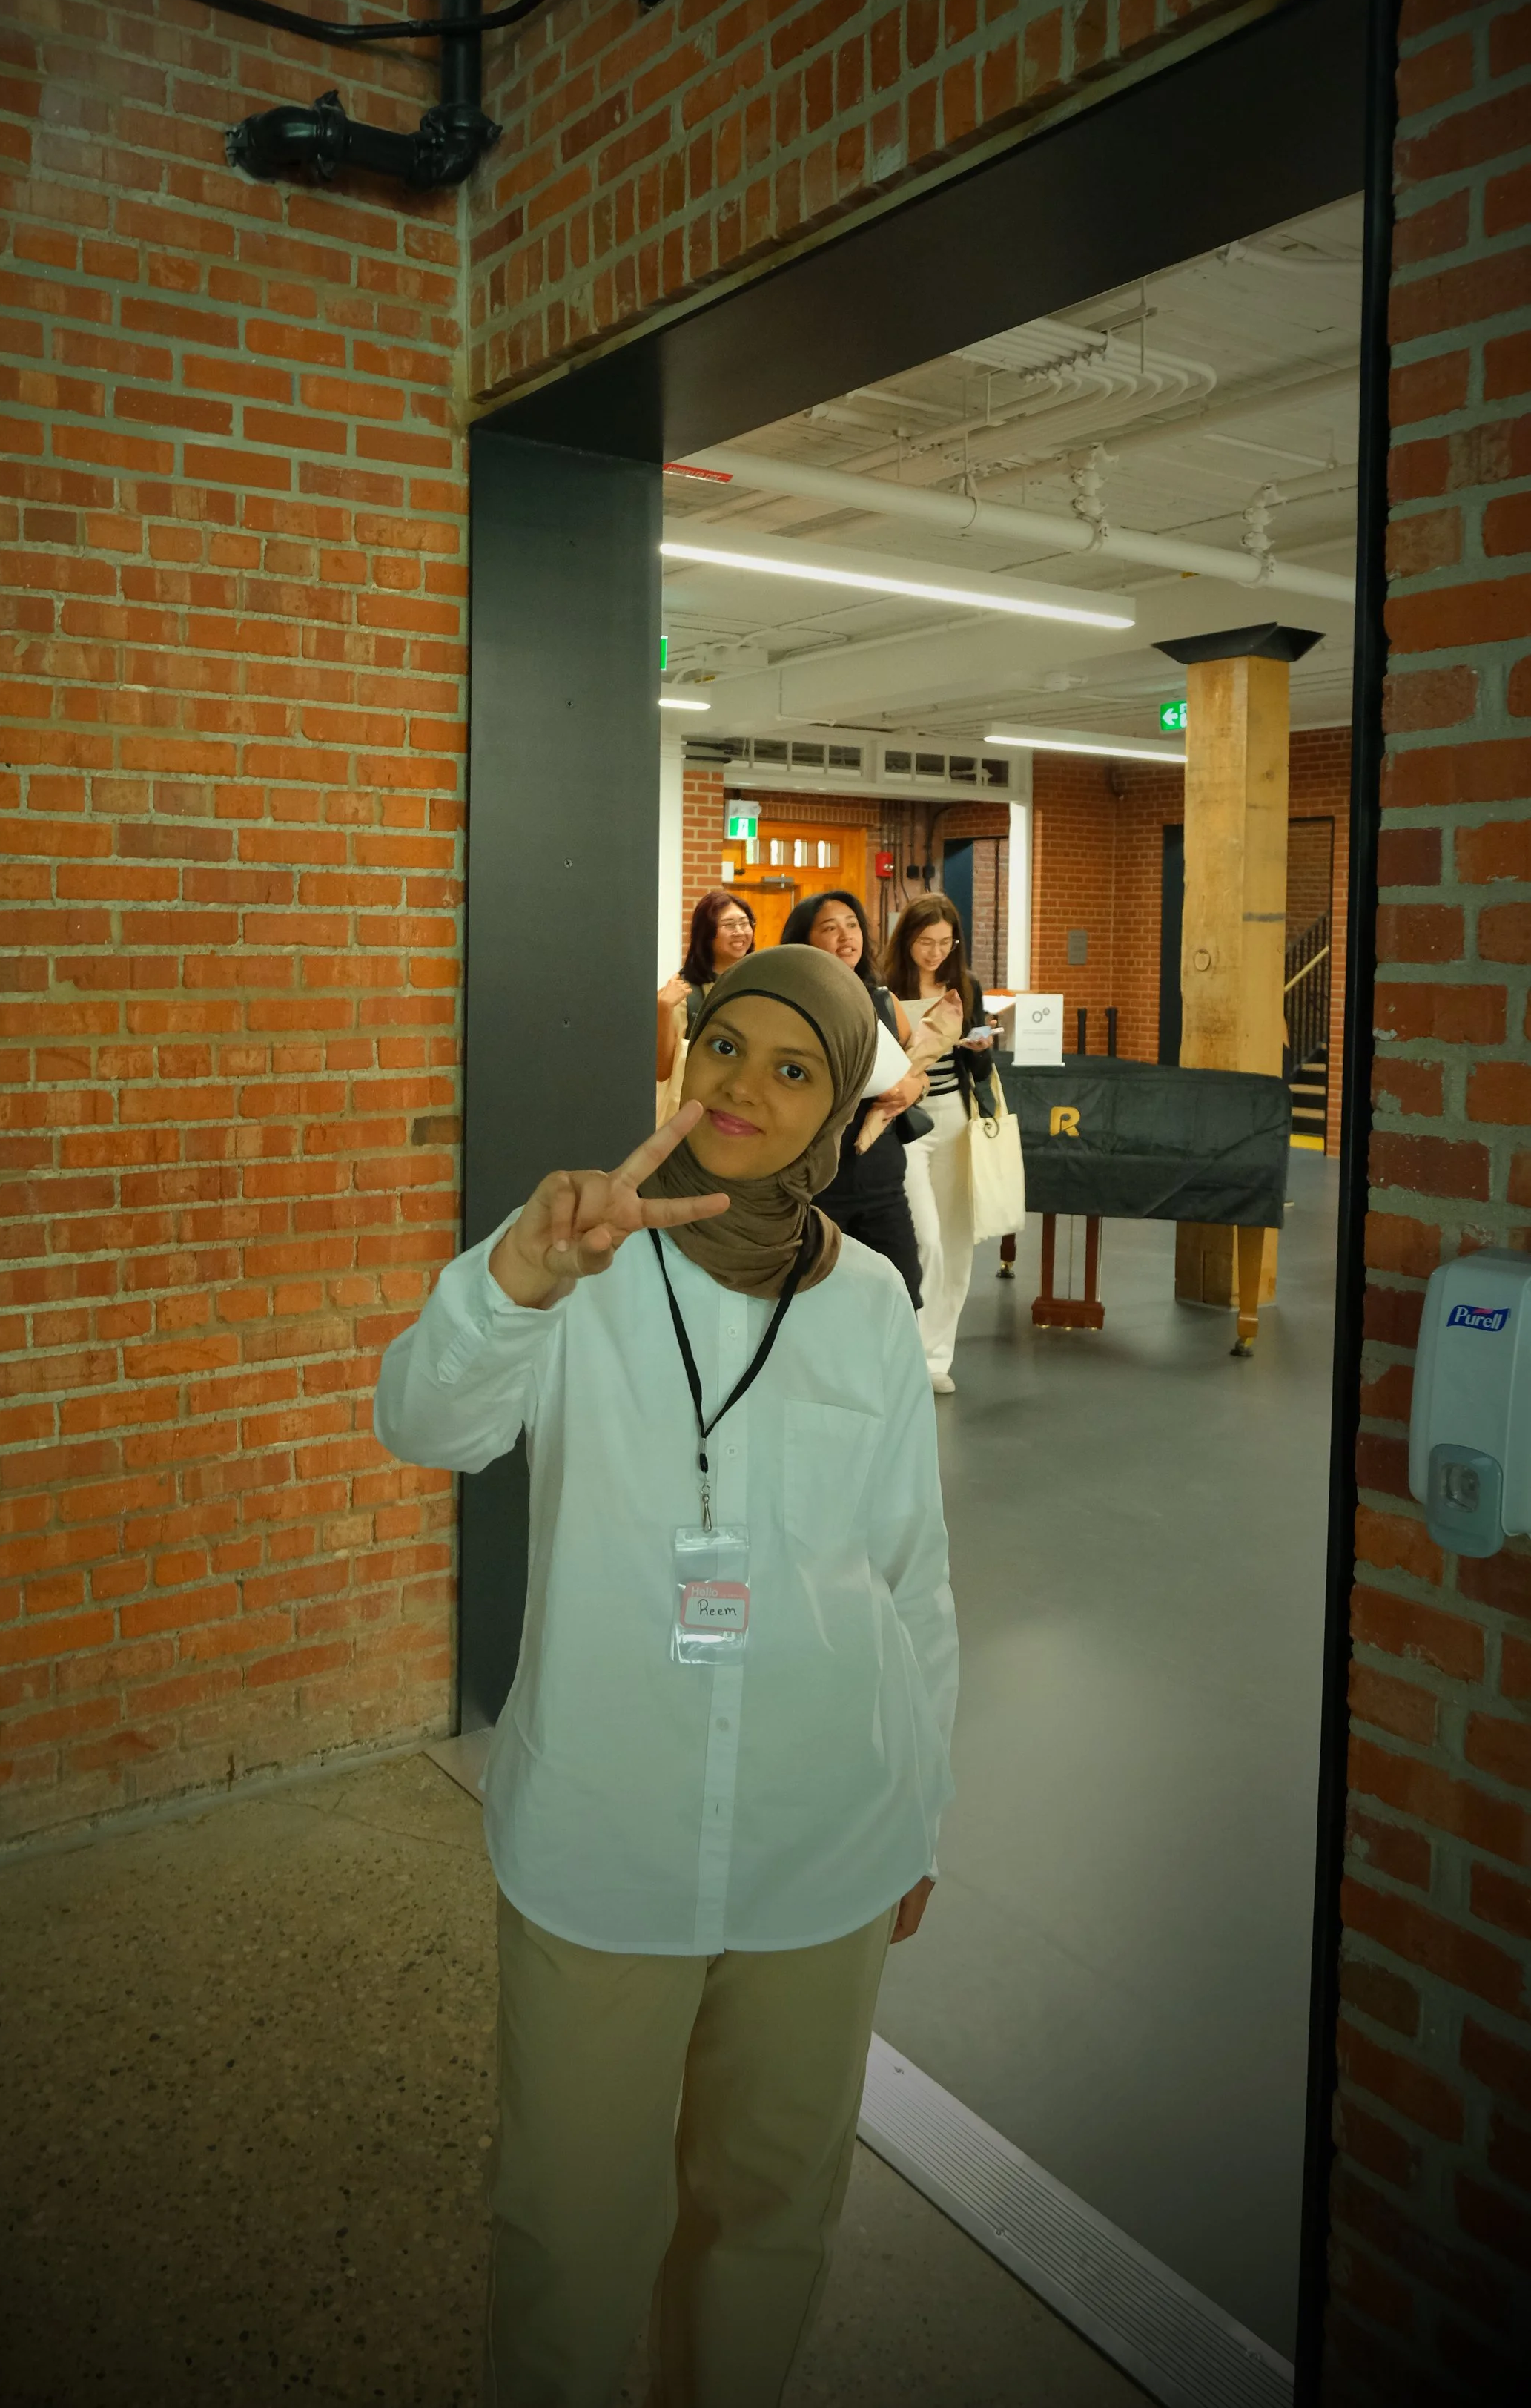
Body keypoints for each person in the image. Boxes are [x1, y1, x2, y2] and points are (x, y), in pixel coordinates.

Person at [374, 947, 956, 2408]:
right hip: (606, 1840)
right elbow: (423, 1423)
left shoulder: (870, 1304)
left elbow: (912, 1578)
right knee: (569, 2231)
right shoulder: (581, 1263)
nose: (740, 1089)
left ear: (835, 1110)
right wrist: (513, 1278)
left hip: (823, 1837)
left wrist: (921, 1812)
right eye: (722, 1047)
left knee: (769, 2221)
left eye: (791, 1067)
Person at [776, 888, 928, 1308]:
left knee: (899, 1296)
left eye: (852, 925)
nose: (846, 935)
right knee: (813, 1302)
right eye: (830, 927)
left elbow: (918, 1069)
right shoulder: (789, 1006)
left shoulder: (882, 1000)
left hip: (881, 1179)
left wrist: (913, 1087)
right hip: (816, 1182)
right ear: (804, 941)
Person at [884, 894, 998, 1395]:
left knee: (954, 1243)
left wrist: (982, 1048)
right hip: (906, 1122)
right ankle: (906, 1348)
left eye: (945, 943)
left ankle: (935, 1357)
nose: (935, 953)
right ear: (907, 940)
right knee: (923, 1237)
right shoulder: (885, 991)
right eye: (926, 942)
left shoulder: (965, 987)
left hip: (955, 1118)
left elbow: (978, 1070)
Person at [656, 889, 757, 1121]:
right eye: (729, 925)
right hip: (693, 1115)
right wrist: (663, 1009)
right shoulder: (683, 993)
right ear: (707, 934)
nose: (740, 932)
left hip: (744, 1105)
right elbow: (662, 1071)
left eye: (745, 923)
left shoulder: (761, 982)